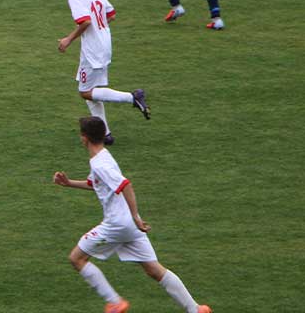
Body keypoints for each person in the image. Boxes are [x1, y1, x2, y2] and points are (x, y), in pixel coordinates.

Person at [53, 117, 212, 313]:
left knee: (77, 258)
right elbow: (97, 184)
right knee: (154, 269)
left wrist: (136, 216)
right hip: (129, 225)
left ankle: (115, 302)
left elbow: (125, 184)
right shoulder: (103, 157)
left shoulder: (100, 164)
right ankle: (196, 309)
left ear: (84, 138)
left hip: (117, 224)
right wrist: (69, 183)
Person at [59, 0, 149, 146]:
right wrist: (99, 30)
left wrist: (68, 39)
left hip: (92, 50)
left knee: (85, 91)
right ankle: (105, 134)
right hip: (104, 44)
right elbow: (112, 14)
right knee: (93, 90)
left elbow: (84, 22)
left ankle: (132, 98)